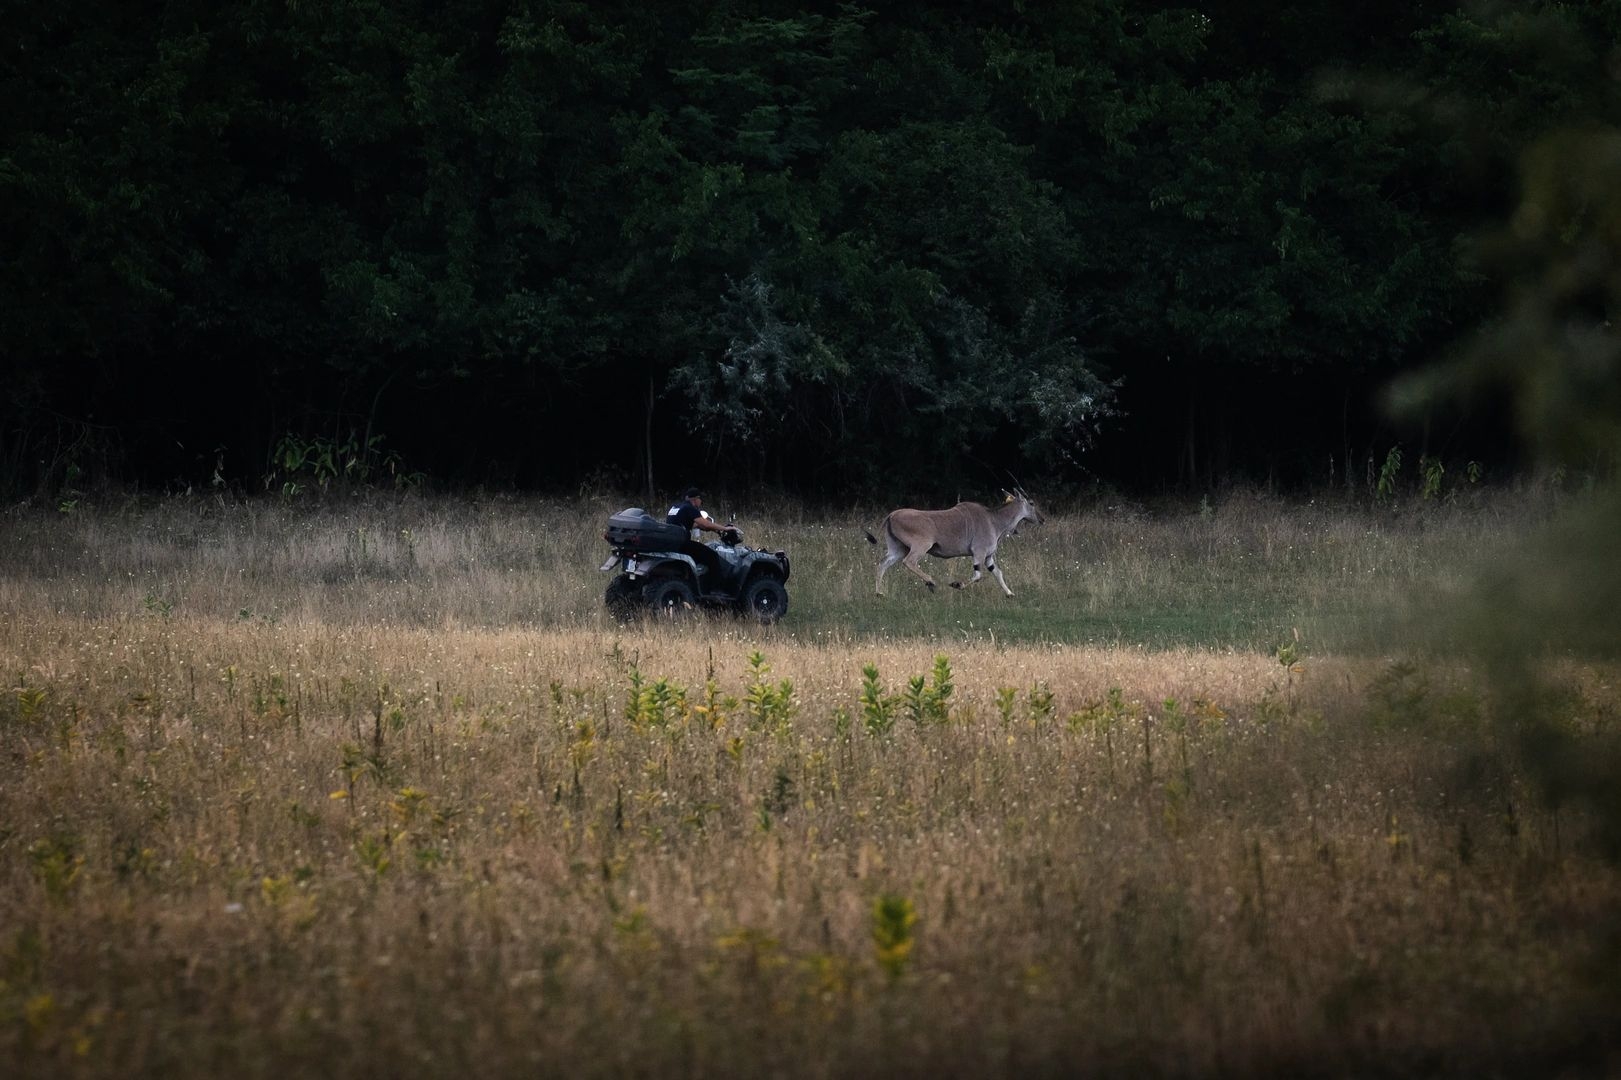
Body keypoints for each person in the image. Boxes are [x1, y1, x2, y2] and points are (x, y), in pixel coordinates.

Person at [666, 487, 731, 580]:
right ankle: (716, 585)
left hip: (671, 542)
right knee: (712, 556)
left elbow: (694, 525)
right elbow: (705, 523)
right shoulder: (689, 507)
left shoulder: (676, 507)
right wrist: (725, 528)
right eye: (700, 499)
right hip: (682, 544)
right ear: (696, 499)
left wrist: (715, 530)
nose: (701, 502)